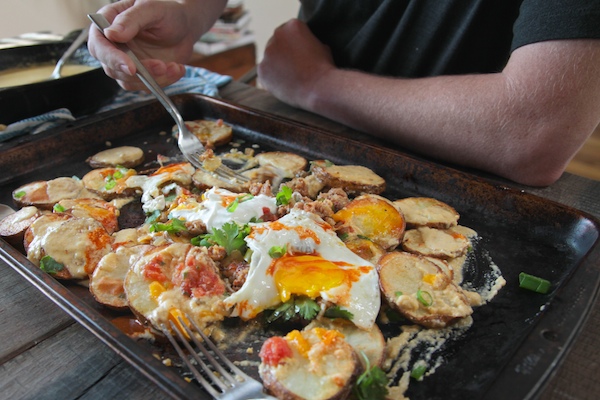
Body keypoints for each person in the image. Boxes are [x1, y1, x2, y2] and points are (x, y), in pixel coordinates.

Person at [88, 0, 600, 187]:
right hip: (298, 129)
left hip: (464, 174)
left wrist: (315, 84)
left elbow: (535, 132)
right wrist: (189, 10)